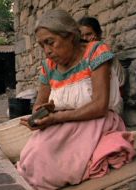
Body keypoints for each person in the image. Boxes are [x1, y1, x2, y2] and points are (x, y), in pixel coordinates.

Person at [17, 9, 135, 190]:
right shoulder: (49, 66)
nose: (47, 51)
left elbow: (99, 106)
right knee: (30, 157)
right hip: (62, 124)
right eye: (42, 46)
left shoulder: (95, 53)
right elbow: (39, 105)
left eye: (50, 42)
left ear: (71, 36)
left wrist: (56, 118)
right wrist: (40, 115)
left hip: (96, 121)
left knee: (46, 164)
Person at [78, 16, 125, 98]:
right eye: (81, 36)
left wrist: (94, 47)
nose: (85, 38)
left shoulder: (104, 53)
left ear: (98, 34)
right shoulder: (80, 57)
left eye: (88, 34)